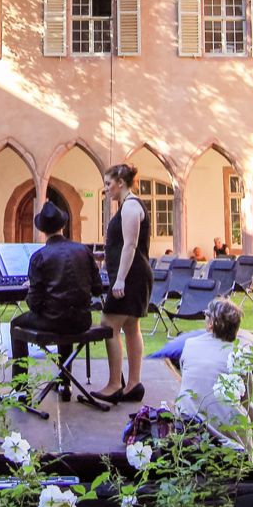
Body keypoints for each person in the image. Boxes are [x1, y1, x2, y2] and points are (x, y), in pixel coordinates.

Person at [176, 298, 253, 453]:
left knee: (223, 396)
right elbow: (246, 399)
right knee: (237, 402)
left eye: (206, 315)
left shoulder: (190, 344)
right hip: (224, 433)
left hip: (186, 422)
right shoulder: (239, 355)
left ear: (211, 324)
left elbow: (187, 379)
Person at [9, 201, 102, 389]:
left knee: (16, 325)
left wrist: (31, 287)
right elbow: (98, 289)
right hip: (81, 321)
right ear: (63, 225)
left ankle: (20, 389)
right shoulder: (84, 251)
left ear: (42, 230)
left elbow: (34, 304)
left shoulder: (39, 256)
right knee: (64, 316)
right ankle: (64, 384)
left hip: (52, 322)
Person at [95, 163, 151, 402]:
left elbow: (130, 245)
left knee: (108, 325)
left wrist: (119, 280)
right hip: (134, 275)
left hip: (131, 277)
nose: (107, 188)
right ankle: (133, 384)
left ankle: (115, 384)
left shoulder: (129, 207)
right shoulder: (128, 205)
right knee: (130, 327)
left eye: (108, 184)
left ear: (120, 182)